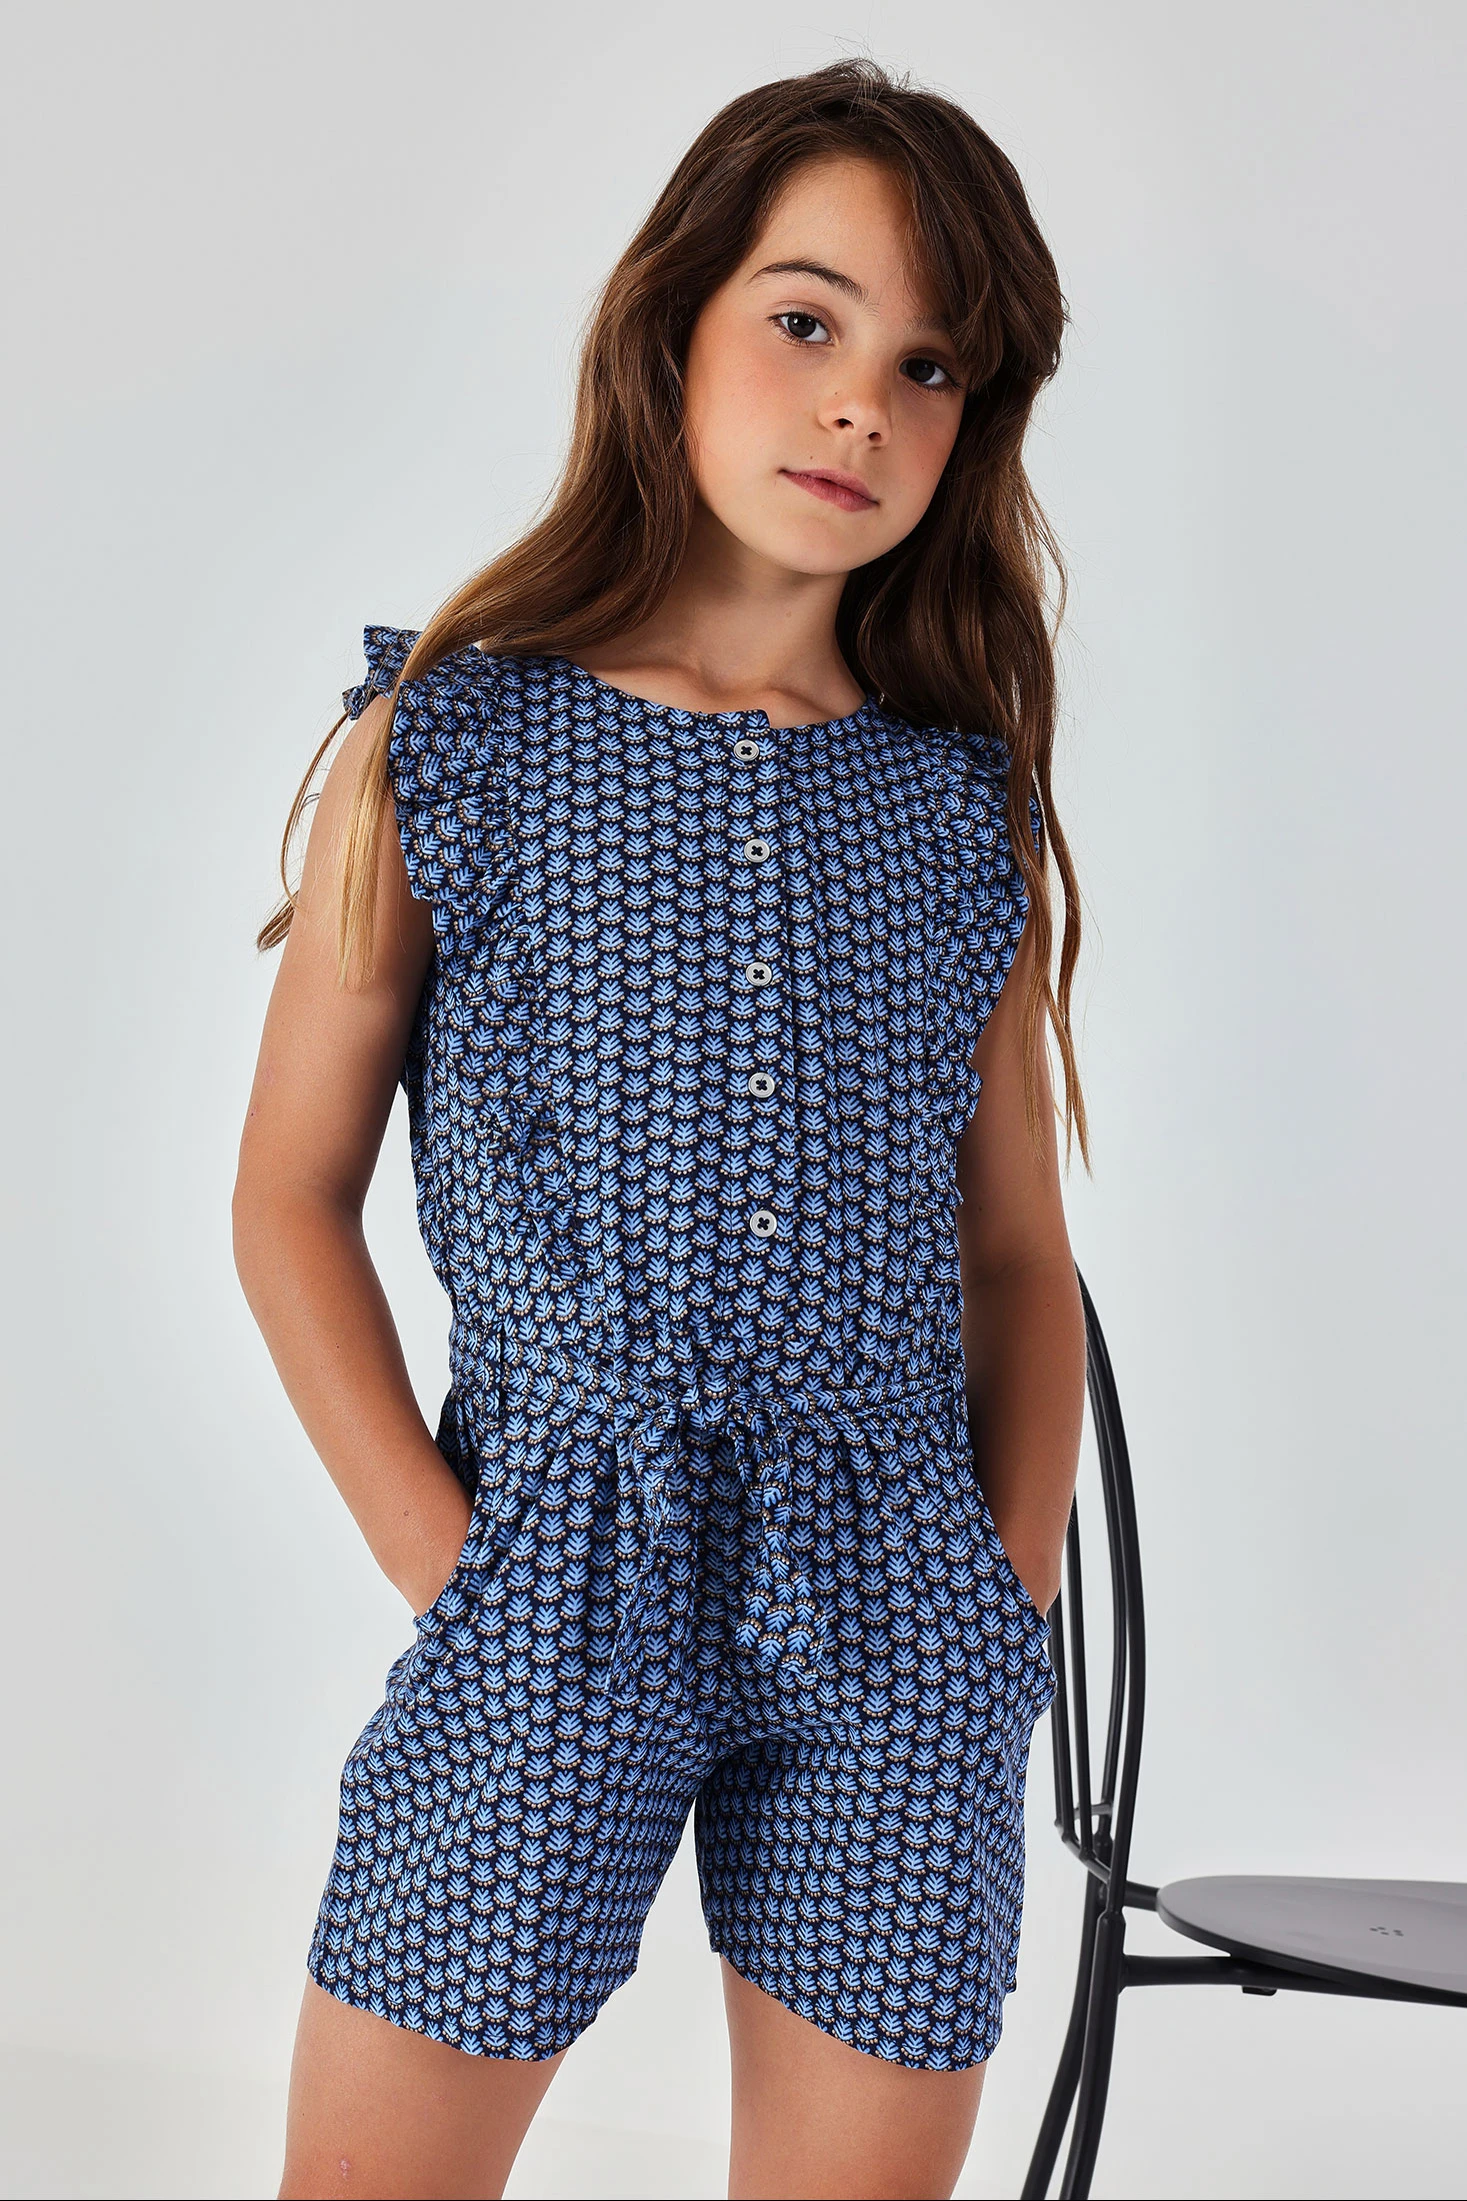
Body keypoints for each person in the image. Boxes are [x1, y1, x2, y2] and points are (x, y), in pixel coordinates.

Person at [233, 55, 1088, 2201]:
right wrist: (450, 1563)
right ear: (671, 324)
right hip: (555, 1569)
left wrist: (1004, 1586)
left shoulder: (952, 805)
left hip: (901, 1605)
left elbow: (1014, 1254)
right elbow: (288, 1197)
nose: (859, 406)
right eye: (805, 321)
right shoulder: (452, 739)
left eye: (927, 367)